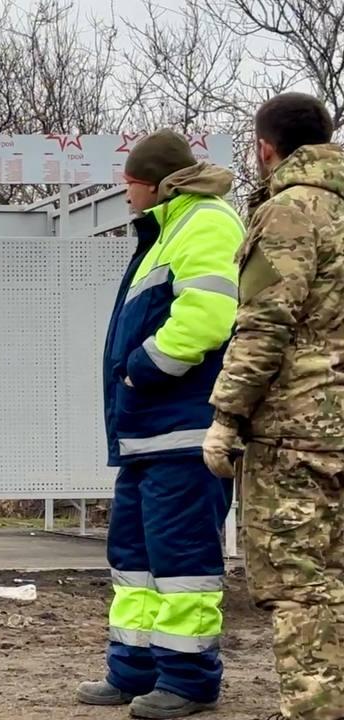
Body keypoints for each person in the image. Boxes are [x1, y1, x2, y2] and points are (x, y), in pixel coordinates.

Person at [79, 129, 246, 718]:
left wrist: (141, 369)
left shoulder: (206, 220)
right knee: (134, 560)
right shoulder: (167, 228)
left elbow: (208, 315)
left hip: (180, 430)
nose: (125, 196)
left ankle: (189, 682)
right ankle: (133, 671)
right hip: (146, 434)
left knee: (181, 564)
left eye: (129, 184)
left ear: (152, 183)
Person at [204, 92, 344, 720]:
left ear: (266, 149)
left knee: (298, 586)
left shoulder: (290, 212)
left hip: (299, 435)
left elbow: (264, 325)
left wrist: (227, 416)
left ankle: (315, 710)